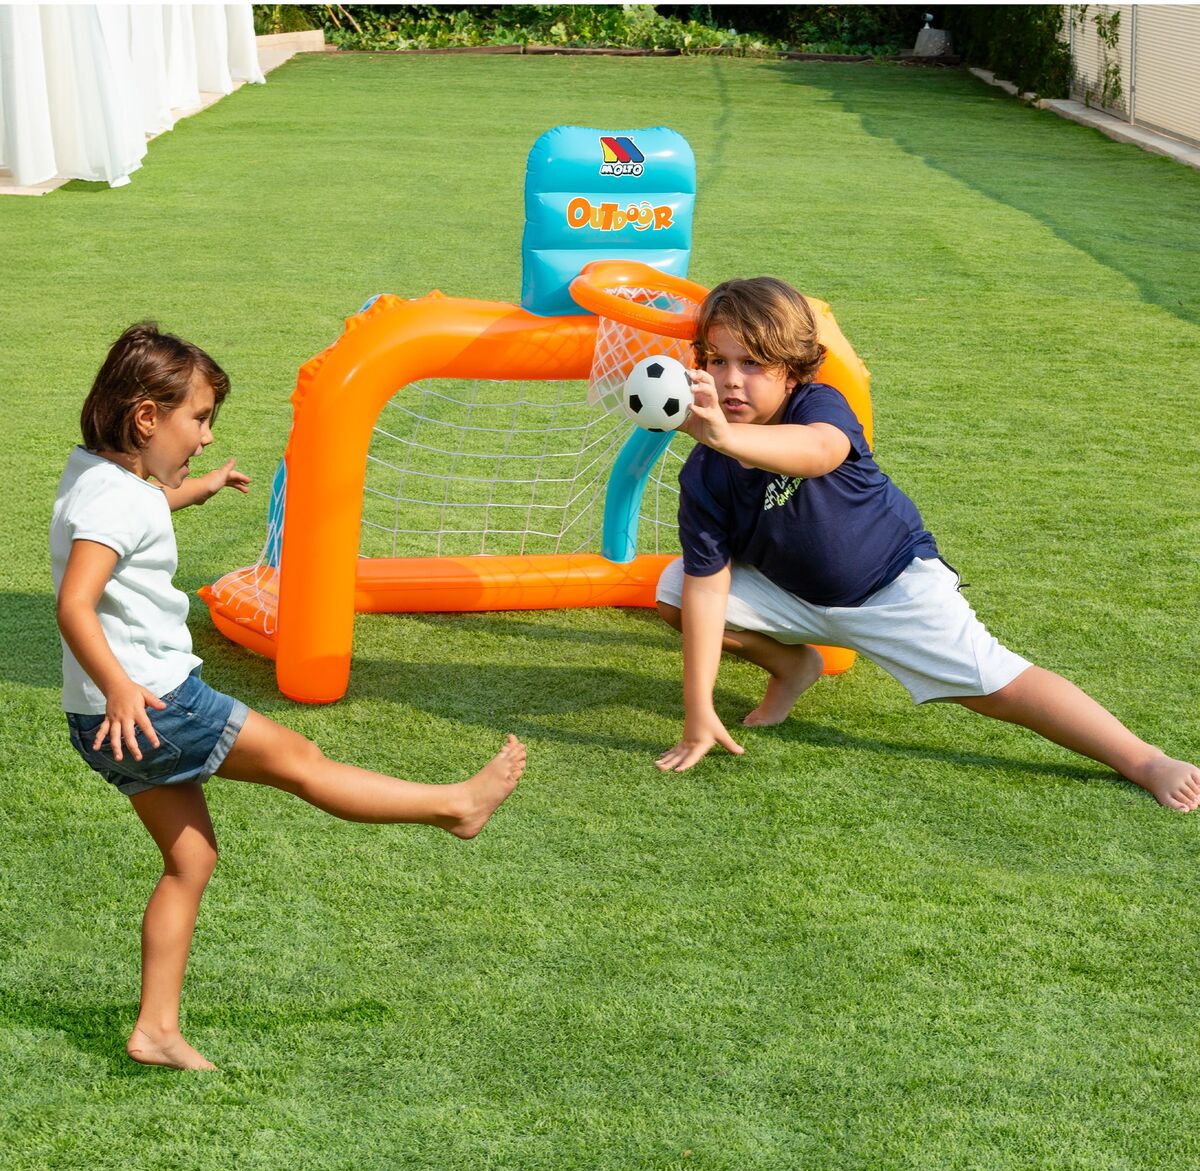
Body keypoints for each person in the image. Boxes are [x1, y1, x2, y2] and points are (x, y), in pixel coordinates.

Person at [52, 323, 526, 1071]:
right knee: (303, 762)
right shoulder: (122, 505)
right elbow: (75, 603)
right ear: (146, 418)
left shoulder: (94, 477)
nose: (207, 436)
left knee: (191, 862)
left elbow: (141, 507)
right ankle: (454, 807)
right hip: (154, 705)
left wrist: (199, 489)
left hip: (99, 722)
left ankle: (155, 1030)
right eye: (198, 419)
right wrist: (121, 688)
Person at [653, 277, 1200, 813]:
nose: (731, 380)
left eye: (752, 363)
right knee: (677, 590)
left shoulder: (818, 406)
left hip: (893, 589)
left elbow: (819, 451)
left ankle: (1145, 760)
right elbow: (709, 587)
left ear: (793, 371)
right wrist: (698, 710)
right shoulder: (704, 472)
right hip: (794, 597)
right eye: (718, 360)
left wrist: (726, 436)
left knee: (1000, 688)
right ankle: (793, 666)